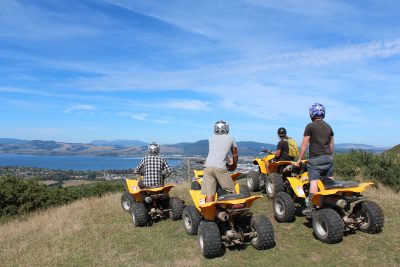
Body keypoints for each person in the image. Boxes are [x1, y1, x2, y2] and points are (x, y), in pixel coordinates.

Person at [295, 103, 334, 214]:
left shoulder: (310, 126)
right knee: (329, 181)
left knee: (314, 182)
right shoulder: (328, 126)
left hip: (315, 159)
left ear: (312, 113)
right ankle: (330, 203)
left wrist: (299, 159)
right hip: (329, 158)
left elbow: (304, 144)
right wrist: (330, 156)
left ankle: (311, 208)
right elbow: (331, 144)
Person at [201, 120, 238, 203]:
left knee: (210, 194)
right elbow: (235, 154)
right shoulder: (231, 138)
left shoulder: (210, 139)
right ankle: (235, 210)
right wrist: (234, 165)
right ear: (226, 128)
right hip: (220, 167)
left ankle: (209, 214)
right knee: (232, 190)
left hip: (208, 167)